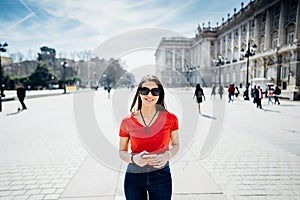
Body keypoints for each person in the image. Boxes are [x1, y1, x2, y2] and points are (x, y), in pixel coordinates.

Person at [119, 75, 179, 200]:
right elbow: (121, 151)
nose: (150, 95)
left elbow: (176, 145)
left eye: (155, 91)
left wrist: (167, 155)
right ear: (139, 93)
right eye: (145, 90)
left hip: (161, 175)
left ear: (160, 94)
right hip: (134, 175)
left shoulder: (171, 118)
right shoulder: (126, 121)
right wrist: (134, 159)